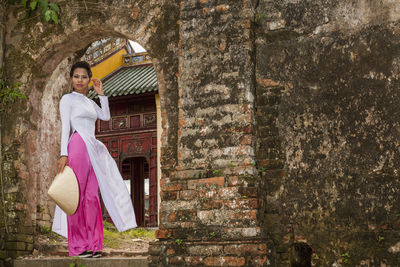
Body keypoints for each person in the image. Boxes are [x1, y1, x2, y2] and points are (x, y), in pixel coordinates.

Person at [51, 61, 137, 258]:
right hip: (78, 145)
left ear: (89, 79)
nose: (80, 80)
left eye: (84, 77)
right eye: (76, 76)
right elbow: (66, 127)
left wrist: (101, 93)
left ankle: (94, 245)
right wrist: (63, 154)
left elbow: (105, 116)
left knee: (91, 198)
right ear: (71, 79)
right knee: (76, 197)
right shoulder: (67, 99)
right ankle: (78, 247)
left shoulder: (89, 102)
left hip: (94, 148)